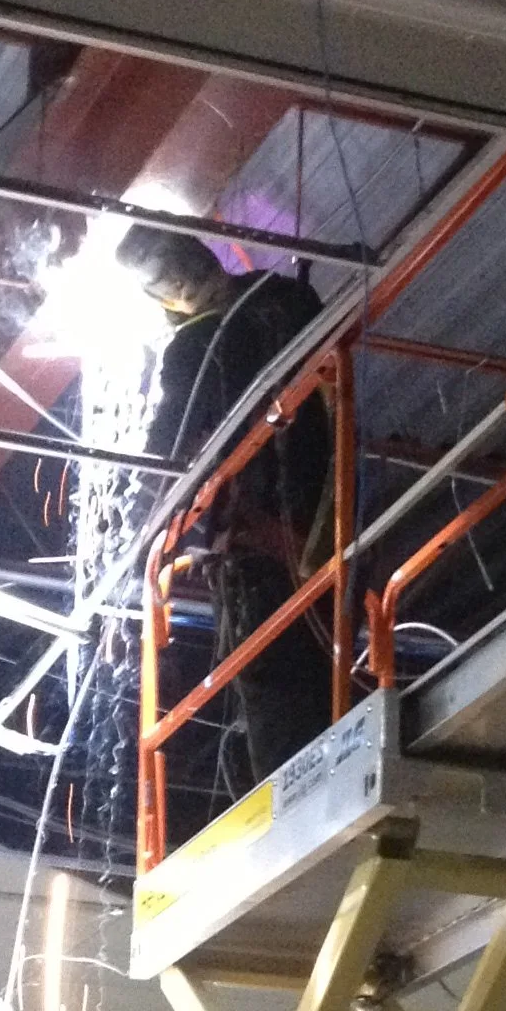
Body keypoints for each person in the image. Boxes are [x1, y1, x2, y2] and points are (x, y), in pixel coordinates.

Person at [120, 226, 337, 786]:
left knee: (267, 676)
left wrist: (143, 531)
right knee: (314, 665)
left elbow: (165, 455)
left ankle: (294, 800)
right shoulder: (285, 297)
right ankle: (311, 781)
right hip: (320, 526)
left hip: (258, 538)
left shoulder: (195, 345)